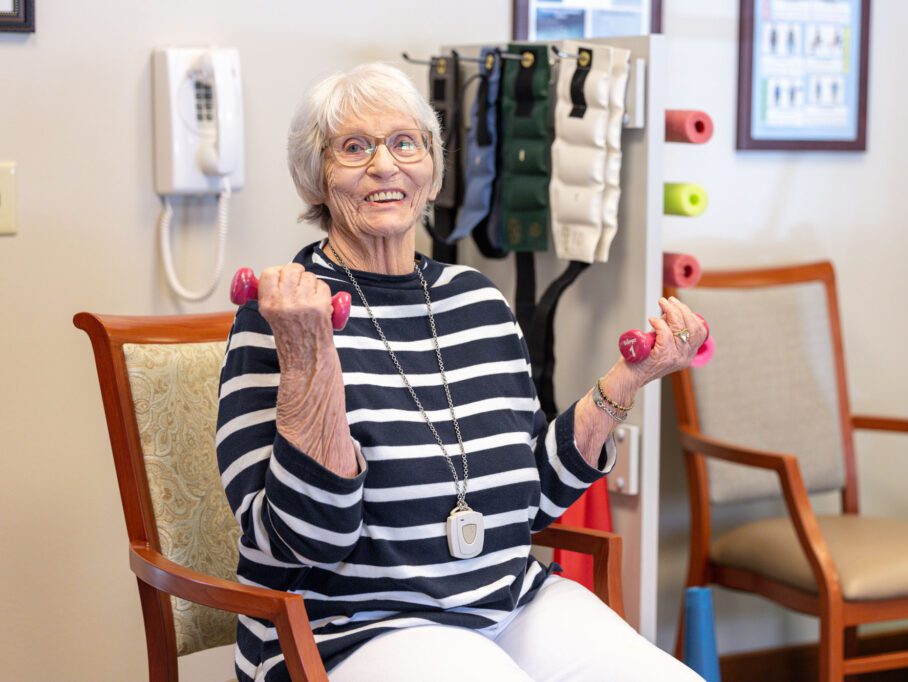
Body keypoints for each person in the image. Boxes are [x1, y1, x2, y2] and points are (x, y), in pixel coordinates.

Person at [216, 63, 708, 682]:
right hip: (345, 628)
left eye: (405, 143)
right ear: (316, 180)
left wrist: (628, 380)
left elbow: (530, 497)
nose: (385, 165)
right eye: (354, 148)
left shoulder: (476, 302)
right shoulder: (281, 318)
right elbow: (308, 538)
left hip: (504, 600)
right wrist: (309, 353)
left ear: (431, 167)